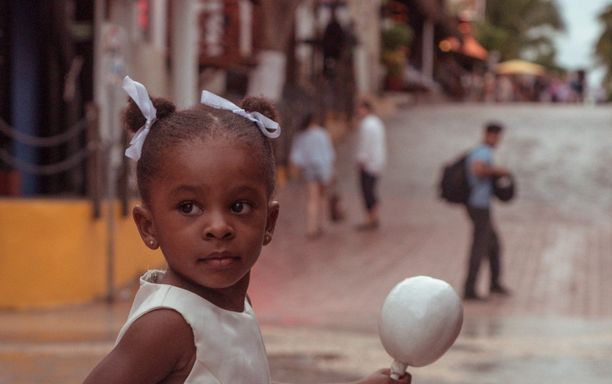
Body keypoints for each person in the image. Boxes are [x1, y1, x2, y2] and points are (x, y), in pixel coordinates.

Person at [83, 76, 410, 384]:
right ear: (148, 227)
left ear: (269, 222)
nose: (219, 227)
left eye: (239, 207)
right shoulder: (169, 324)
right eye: (188, 208)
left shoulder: (232, 303)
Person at [463, 122, 511, 301]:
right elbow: (477, 169)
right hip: (479, 205)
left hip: (480, 205)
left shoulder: (482, 151)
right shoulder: (482, 152)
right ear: (490, 135)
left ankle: (495, 283)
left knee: (494, 245)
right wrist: (498, 171)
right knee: (480, 246)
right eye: (497, 137)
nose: (498, 141)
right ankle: (470, 288)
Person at [289, 112, 336, 239]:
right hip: (324, 170)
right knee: (322, 198)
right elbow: (330, 154)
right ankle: (320, 223)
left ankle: (311, 227)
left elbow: (296, 157)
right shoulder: (322, 134)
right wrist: (332, 171)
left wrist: (300, 168)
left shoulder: (300, 136)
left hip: (309, 170)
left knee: (312, 200)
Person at [355, 99, 386, 231]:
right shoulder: (377, 123)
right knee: (371, 190)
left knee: (367, 191)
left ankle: (371, 217)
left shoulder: (367, 125)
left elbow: (365, 145)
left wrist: (362, 160)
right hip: (377, 162)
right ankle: (373, 216)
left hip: (369, 163)